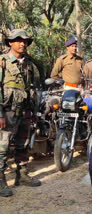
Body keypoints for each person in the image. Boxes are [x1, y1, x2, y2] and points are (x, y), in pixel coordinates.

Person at [0, 29, 42, 197]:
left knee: (23, 144)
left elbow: (31, 87)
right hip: (8, 112)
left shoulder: (29, 64)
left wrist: (32, 111)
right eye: (18, 40)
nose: (22, 43)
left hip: (25, 111)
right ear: (10, 42)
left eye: (24, 40)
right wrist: (0, 114)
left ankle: (22, 175)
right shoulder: (3, 62)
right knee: (2, 148)